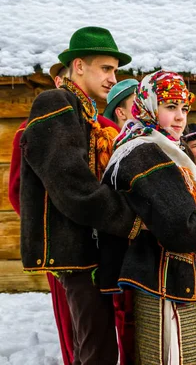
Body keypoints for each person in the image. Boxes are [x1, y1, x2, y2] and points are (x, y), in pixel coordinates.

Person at [100, 70, 196, 365]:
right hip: (164, 284)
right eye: (170, 107)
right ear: (148, 105)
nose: (180, 117)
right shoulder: (146, 152)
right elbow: (182, 229)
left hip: (171, 281)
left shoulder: (159, 146)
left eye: (184, 108)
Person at [19, 26, 138, 365]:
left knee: (98, 348)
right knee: (97, 352)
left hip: (91, 252)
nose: (113, 78)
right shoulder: (55, 101)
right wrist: (130, 220)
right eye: (106, 68)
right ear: (79, 66)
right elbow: (70, 184)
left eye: (115, 70)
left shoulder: (85, 112)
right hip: (75, 253)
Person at [9, 61, 76, 365]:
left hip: (102, 241)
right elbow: (17, 190)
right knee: (69, 316)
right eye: (62, 82)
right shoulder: (28, 131)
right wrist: (45, 227)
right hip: (58, 241)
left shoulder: (100, 128)